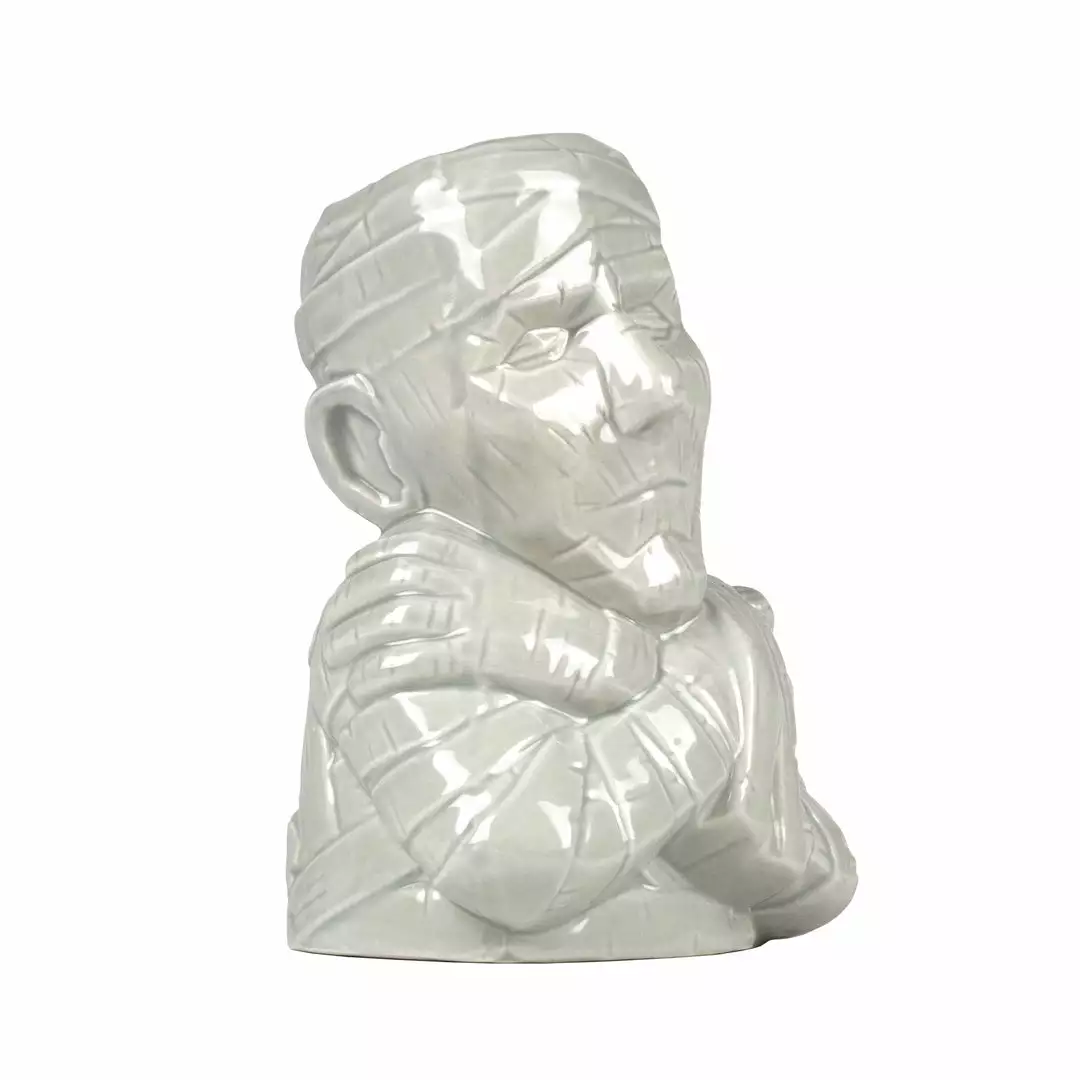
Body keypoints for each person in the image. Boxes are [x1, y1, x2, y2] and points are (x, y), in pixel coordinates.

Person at [286, 134, 856, 960]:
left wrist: (621, 656)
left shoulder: (696, 625)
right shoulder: (408, 614)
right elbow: (519, 863)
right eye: (545, 343)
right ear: (369, 451)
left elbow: (808, 877)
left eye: (656, 321)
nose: (658, 386)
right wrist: (714, 681)